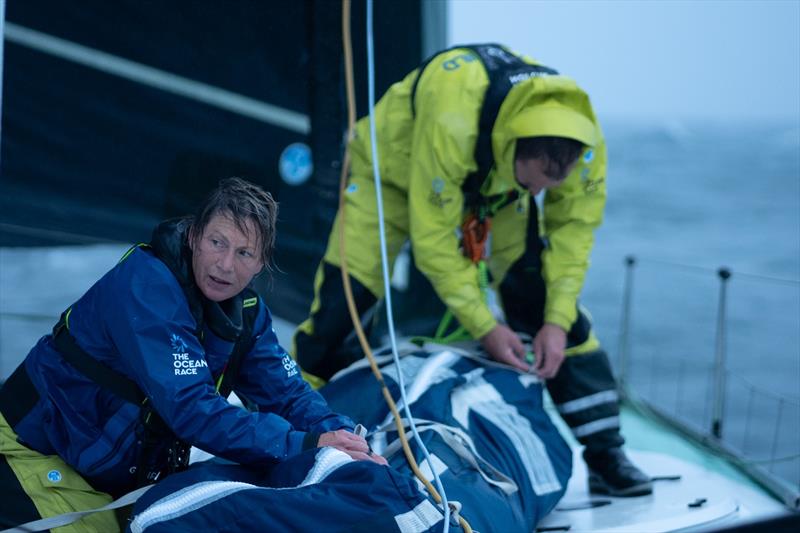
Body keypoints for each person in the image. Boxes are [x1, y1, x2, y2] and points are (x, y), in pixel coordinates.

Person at [293, 44, 651, 497]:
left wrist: (557, 322)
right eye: (534, 182)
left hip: (496, 190)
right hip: (393, 177)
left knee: (541, 303)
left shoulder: (581, 145)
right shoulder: (452, 118)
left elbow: (573, 234)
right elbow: (434, 243)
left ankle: (606, 453)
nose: (539, 193)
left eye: (548, 188)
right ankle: (292, 430)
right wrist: (485, 327)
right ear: (513, 147)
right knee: (341, 308)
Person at [0, 177, 385, 532]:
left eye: (244, 253)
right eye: (217, 243)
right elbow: (191, 406)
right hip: (36, 450)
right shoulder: (146, 286)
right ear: (193, 236)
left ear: (261, 264)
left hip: (110, 474)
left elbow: (289, 393)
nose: (225, 265)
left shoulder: (247, 313)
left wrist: (348, 440)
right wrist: (302, 445)